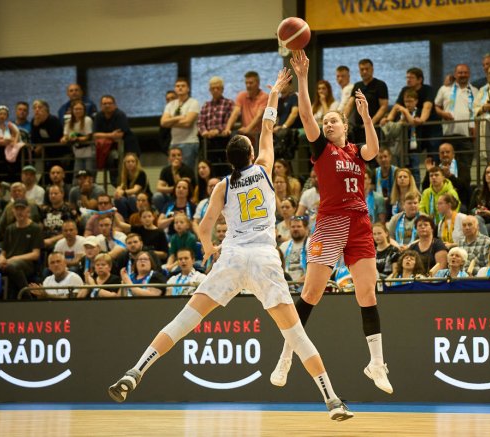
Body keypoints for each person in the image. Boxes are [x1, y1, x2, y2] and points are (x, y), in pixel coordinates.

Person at [108, 68, 354, 421]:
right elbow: (268, 126)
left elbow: (203, 226)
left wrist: (209, 249)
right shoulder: (265, 168)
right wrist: (274, 95)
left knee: (182, 322)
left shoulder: (222, 186)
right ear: (250, 153)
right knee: (297, 335)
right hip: (264, 258)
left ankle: (136, 371)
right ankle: (332, 400)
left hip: (233, 256)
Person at [270, 51, 392, 396]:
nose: (328, 125)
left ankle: (376, 364)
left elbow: (373, 149)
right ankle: (286, 356)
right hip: (330, 223)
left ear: (345, 126)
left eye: (334, 122)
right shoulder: (323, 150)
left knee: (367, 293)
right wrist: (303, 79)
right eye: (326, 123)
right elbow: (307, 113)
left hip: (360, 223)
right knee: (311, 294)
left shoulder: (355, 151)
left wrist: (367, 117)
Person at [434, 63, 477, 169]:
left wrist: (475, 127)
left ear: (469, 74)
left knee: (465, 168)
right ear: (455, 74)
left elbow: (477, 112)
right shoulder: (444, 89)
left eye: (465, 72)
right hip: (449, 135)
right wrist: (443, 113)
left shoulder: (475, 91)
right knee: (448, 167)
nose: (463, 75)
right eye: (460, 72)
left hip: (466, 136)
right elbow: (436, 106)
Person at [343, 58, 388, 144]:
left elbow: (384, 106)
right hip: (358, 127)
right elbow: (350, 104)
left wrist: (371, 122)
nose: (364, 71)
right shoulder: (357, 85)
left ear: (372, 69)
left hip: (374, 127)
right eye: (362, 69)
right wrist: (342, 119)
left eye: (367, 69)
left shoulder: (380, 85)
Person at [160, 78, 200, 171]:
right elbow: (163, 122)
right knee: (173, 172)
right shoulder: (170, 105)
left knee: (187, 172)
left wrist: (170, 122)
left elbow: (187, 123)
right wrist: (178, 118)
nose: (180, 88)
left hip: (189, 142)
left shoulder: (193, 102)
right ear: (175, 89)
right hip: (174, 143)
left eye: (183, 86)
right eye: (178, 86)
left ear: (188, 89)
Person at [198, 76, 234, 174]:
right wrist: (204, 132)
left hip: (223, 140)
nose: (215, 90)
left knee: (226, 167)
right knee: (210, 168)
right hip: (208, 142)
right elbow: (200, 122)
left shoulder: (229, 103)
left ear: (222, 89)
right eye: (213, 88)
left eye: (218, 88)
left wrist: (217, 130)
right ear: (210, 90)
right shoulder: (206, 105)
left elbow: (229, 121)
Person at [225, 71, 268, 147]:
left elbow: (259, 116)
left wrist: (248, 129)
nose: (248, 85)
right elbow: (235, 113)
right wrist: (227, 128)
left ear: (258, 83)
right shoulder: (241, 95)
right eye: (246, 83)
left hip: (260, 135)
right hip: (246, 135)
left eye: (251, 83)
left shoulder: (264, 97)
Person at [153, 146, 196, 213]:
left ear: (182, 157)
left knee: (181, 192)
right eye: (173, 155)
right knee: (157, 196)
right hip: (172, 197)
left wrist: (175, 171)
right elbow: (159, 188)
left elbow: (182, 186)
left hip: (186, 197)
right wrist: (174, 189)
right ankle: (164, 214)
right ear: (169, 158)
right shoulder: (165, 170)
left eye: (179, 155)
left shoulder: (188, 170)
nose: (176, 157)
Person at [62, 100, 95, 178]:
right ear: (72, 110)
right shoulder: (68, 122)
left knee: (89, 175)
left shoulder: (87, 120)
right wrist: (64, 139)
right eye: (76, 109)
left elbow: (88, 136)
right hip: (77, 153)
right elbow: (66, 135)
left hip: (89, 153)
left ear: (84, 110)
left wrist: (77, 139)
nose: (78, 111)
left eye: (80, 109)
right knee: (77, 176)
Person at [114, 153, 151, 220]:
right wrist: (117, 192)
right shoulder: (124, 175)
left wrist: (123, 192)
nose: (130, 163)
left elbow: (135, 190)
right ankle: (124, 220)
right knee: (118, 199)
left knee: (132, 198)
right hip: (130, 197)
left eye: (132, 161)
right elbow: (120, 187)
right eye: (128, 162)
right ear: (125, 164)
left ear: (136, 163)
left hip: (142, 197)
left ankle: (137, 219)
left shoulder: (141, 173)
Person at [279, 215, 310, 284]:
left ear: (306, 229)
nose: (295, 229)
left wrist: (298, 282)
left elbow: (315, 269)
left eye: (299, 226)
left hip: (305, 283)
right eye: (293, 227)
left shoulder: (311, 244)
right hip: (287, 284)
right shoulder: (283, 246)